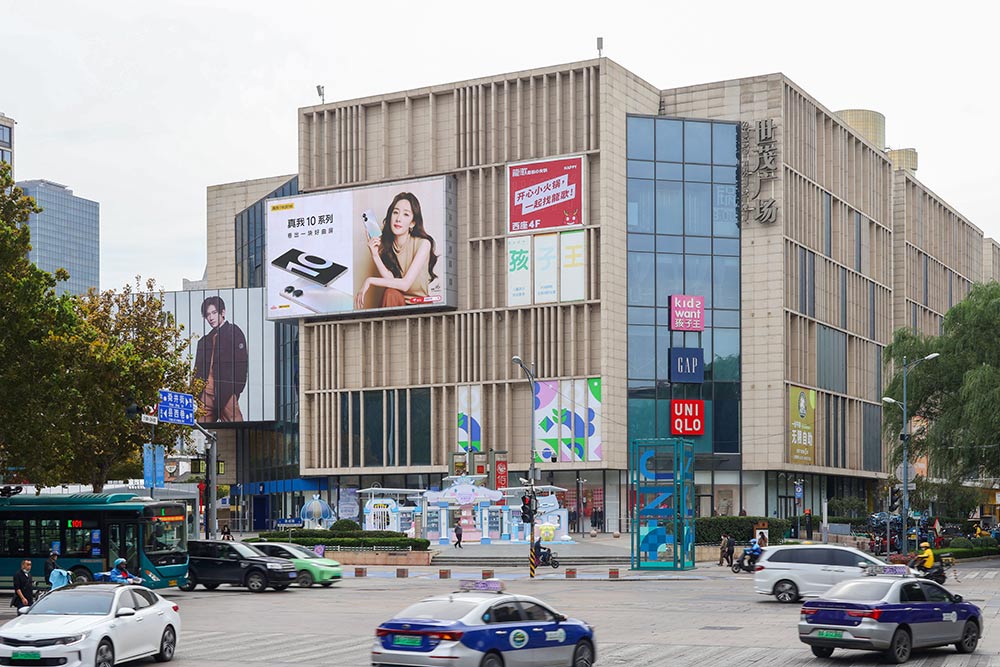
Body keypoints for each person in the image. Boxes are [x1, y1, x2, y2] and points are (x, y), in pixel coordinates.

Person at [355, 193, 439, 309]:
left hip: (419, 304)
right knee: (390, 293)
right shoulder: (387, 245)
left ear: (412, 223)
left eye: (406, 214)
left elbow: (405, 285)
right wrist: (375, 255)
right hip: (397, 300)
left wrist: (369, 281)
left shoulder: (423, 244)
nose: (398, 218)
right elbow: (390, 280)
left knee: (391, 293)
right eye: (395, 212)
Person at [193, 295, 249, 422]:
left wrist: (234, 391)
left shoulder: (233, 332)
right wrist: (196, 393)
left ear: (222, 312)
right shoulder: (204, 341)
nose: (211, 318)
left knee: (236, 426)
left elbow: (242, 365)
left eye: (214, 313)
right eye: (208, 314)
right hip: (206, 394)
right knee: (201, 429)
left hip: (226, 392)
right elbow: (197, 370)